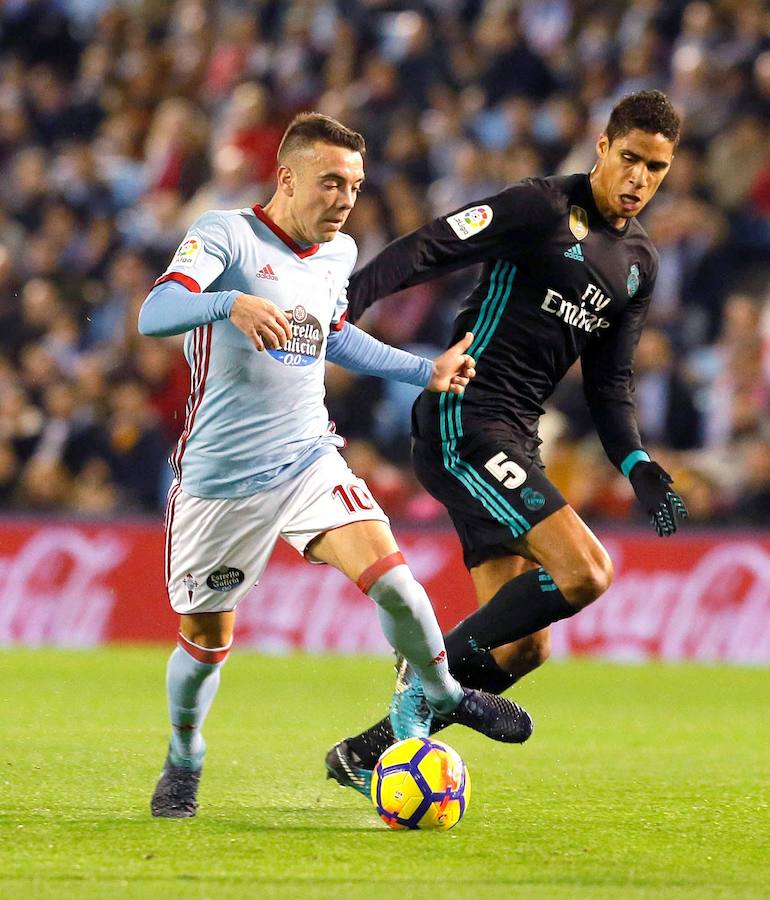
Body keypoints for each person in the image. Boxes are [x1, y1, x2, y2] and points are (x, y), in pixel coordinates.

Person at [138, 113, 533, 819]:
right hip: (220, 483)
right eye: (330, 182)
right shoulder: (225, 234)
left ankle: (442, 693)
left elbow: (335, 337)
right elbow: (156, 310)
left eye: (354, 184)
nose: (346, 198)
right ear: (287, 178)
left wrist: (424, 372)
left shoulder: (338, 253)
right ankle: (185, 756)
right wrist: (227, 303)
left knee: (398, 584)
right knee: (204, 644)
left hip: (306, 460)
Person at [326, 90, 689, 793]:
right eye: (632, 159)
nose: (640, 179)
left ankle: (366, 752)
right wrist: (352, 296)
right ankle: (420, 686)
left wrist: (640, 464)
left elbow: (609, 388)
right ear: (603, 148)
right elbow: (434, 242)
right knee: (586, 572)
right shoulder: (540, 206)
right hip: (465, 414)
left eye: (658, 168)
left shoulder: (639, 261)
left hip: (514, 436)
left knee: (524, 646)